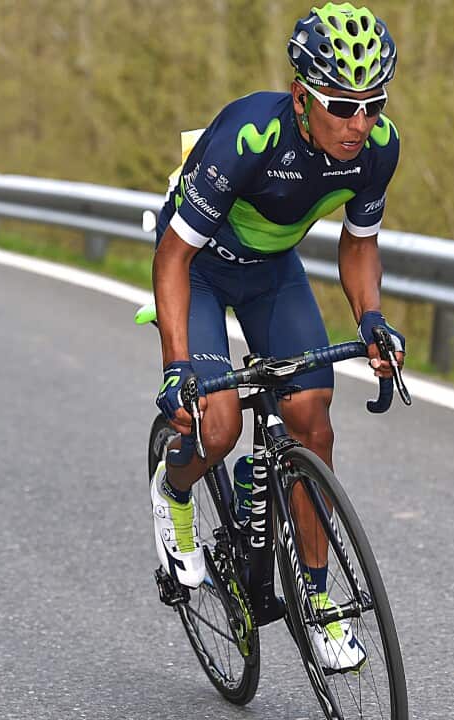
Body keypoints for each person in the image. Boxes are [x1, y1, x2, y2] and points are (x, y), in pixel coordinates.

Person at [148, 1, 405, 673]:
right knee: (219, 424)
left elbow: (359, 243)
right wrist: (178, 365)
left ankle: (318, 602)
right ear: (301, 96)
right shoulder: (250, 136)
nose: (359, 124)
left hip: (270, 273)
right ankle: (174, 489)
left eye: (373, 105)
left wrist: (370, 318)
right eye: (342, 106)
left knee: (312, 418)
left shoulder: (378, 150)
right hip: (199, 270)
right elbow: (173, 255)